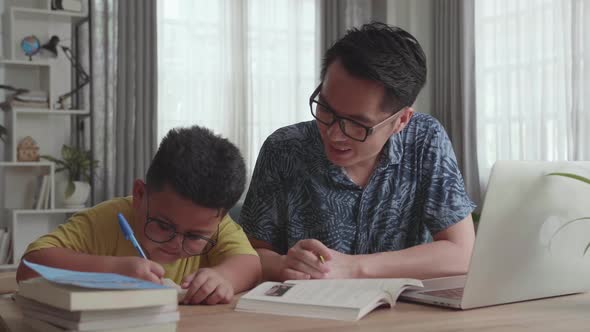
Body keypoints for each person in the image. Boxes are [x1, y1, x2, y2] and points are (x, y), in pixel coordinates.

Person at [239, 22, 476, 282]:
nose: (334, 134)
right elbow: (248, 254)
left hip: (403, 316)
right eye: (326, 109)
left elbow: (461, 252)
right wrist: (285, 264)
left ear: (401, 121)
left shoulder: (424, 140)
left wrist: (354, 268)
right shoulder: (284, 148)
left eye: (357, 124)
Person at [16, 126, 261, 305]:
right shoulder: (107, 219)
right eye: (163, 225)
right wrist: (112, 270)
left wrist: (223, 277)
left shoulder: (216, 225)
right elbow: (29, 266)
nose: (175, 244)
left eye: (195, 236)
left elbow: (250, 264)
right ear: (140, 194)